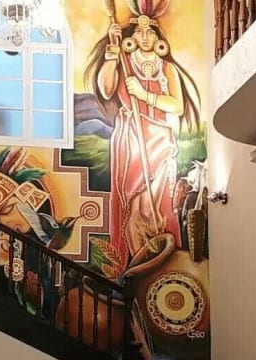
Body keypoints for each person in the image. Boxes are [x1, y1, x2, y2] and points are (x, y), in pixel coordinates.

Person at [85, 0, 200, 260]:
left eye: (150, 32)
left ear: (159, 38)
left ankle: (160, 254)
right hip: (130, 138)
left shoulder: (167, 67)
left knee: (157, 201)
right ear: (132, 36)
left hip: (158, 138)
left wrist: (145, 95)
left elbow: (177, 106)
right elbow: (105, 89)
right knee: (134, 203)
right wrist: (112, 51)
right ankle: (137, 259)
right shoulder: (123, 61)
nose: (145, 37)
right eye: (139, 32)